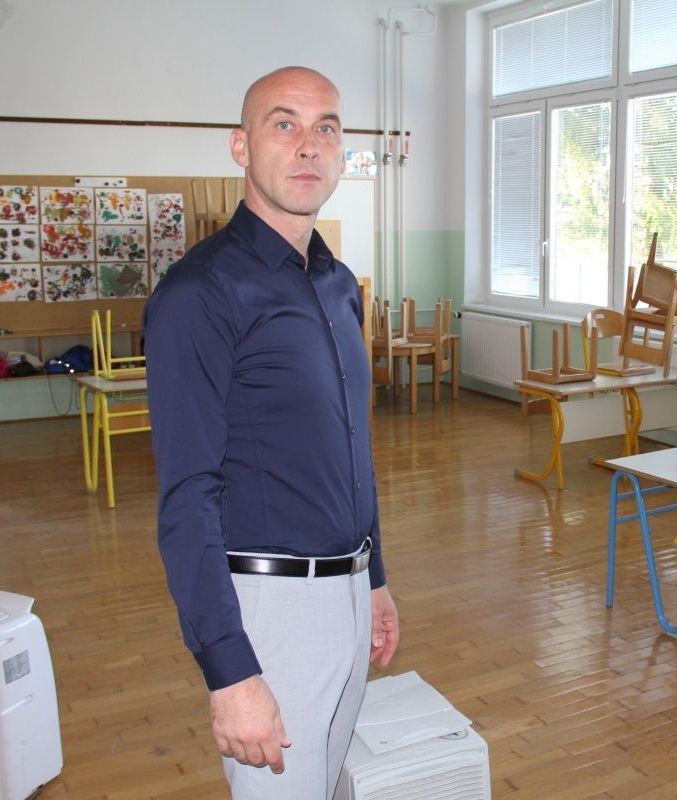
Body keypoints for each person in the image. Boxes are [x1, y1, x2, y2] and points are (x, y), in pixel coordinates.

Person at [143, 66, 399, 799]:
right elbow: (187, 497)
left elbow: (350, 449)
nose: (308, 145)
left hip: (347, 591)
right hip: (271, 611)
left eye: (326, 128)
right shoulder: (201, 294)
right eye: (284, 124)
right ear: (241, 146)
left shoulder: (337, 284)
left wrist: (373, 578)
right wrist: (230, 671)